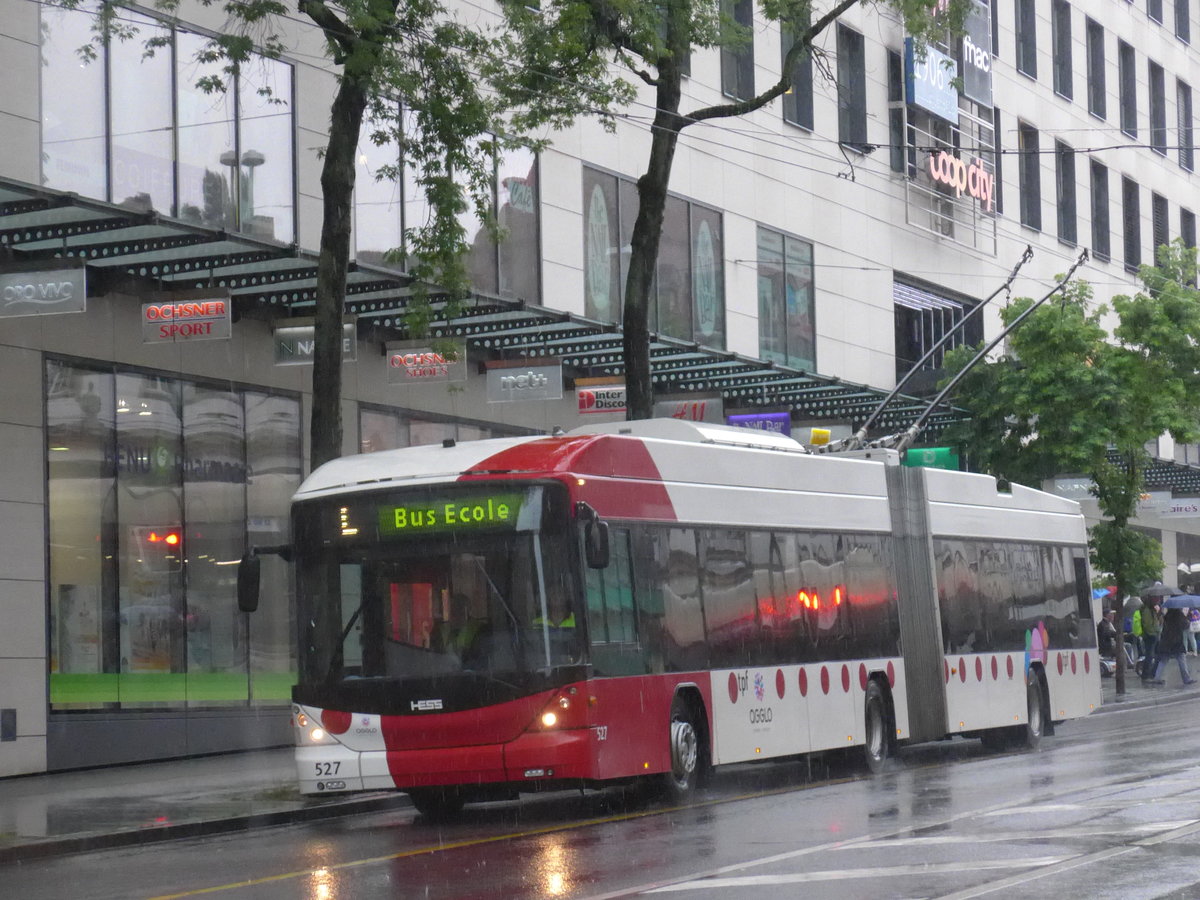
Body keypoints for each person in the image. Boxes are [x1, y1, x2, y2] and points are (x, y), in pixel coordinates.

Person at [1151, 607, 1196, 685]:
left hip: (1166, 641)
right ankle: (1186, 678)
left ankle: (1157, 678)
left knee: (1163, 661)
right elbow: (1186, 626)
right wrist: (1187, 618)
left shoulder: (1167, 616)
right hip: (1176, 641)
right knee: (1181, 659)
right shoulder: (1179, 615)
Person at [1137, 598, 1163, 683]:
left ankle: (1152, 674)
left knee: (1157, 655)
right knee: (1150, 655)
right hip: (1150, 636)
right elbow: (1148, 624)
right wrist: (1154, 632)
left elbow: (1156, 622)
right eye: (1156, 599)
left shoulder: (1151, 609)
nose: (1158, 601)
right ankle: (1146, 675)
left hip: (1154, 634)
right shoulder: (1146, 610)